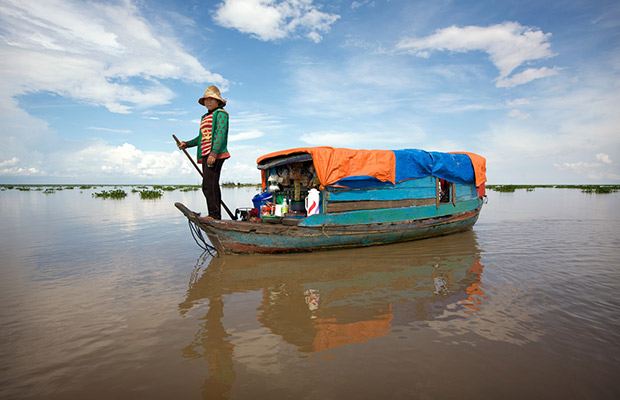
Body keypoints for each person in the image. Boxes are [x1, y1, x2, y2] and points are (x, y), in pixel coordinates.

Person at [178, 85, 230, 220]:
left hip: (215, 154)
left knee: (209, 185)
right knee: (208, 185)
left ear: (218, 101)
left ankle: (214, 215)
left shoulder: (221, 114)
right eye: (206, 100)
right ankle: (214, 214)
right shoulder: (205, 116)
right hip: (206, 154)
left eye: (211, 99)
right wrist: (186, 144)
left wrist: (214, 153)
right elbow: (201, 138)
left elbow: (220, 134)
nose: (208, 102)